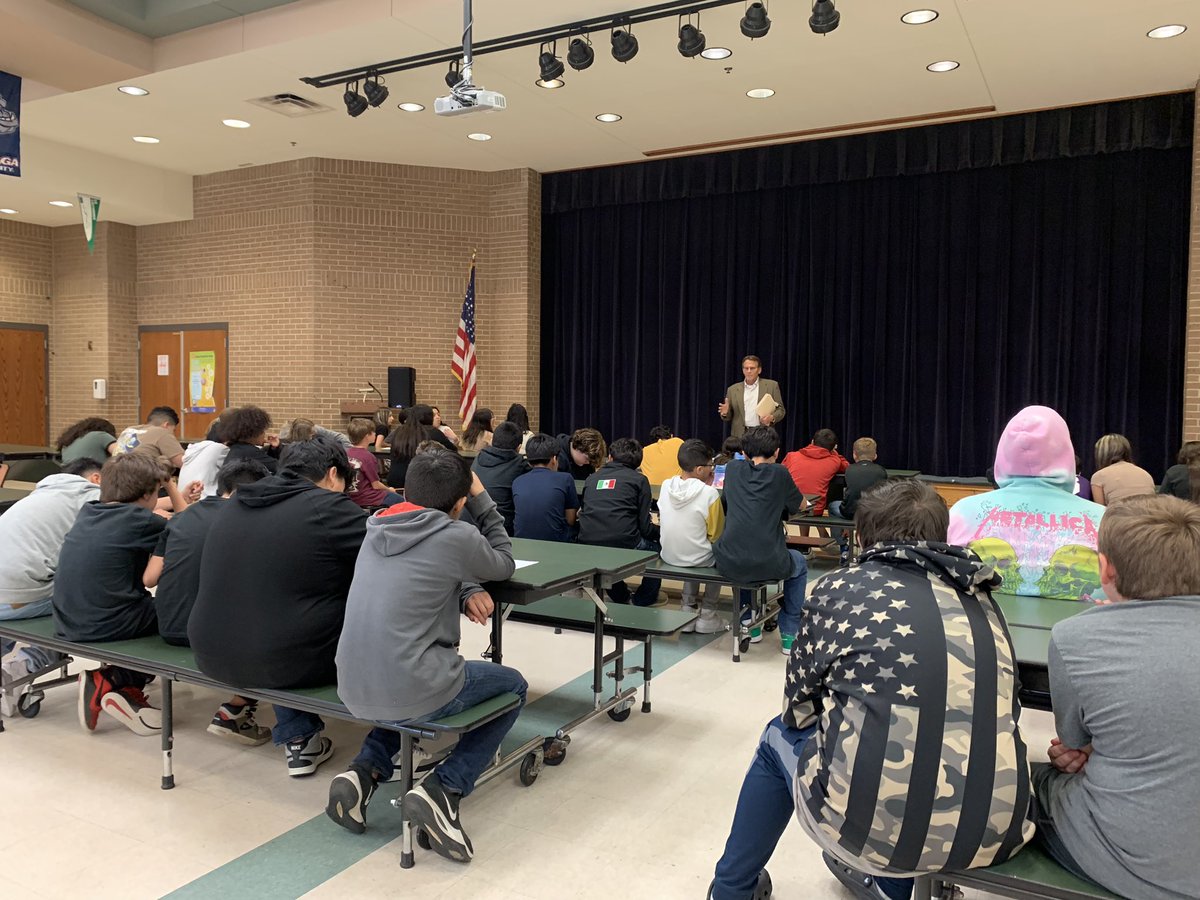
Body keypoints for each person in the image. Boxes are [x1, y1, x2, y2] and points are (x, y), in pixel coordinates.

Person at [709, 479, 1033, 900]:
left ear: (860, 537)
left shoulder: (838, 590)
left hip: (877, 831)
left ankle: (731, 890)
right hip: (996, 831)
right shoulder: (985, 600)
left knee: (776, 737)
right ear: (943, 535)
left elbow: (799, 709)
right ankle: (888, 886)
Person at [326, 452, 526, 865]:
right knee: (514, 686)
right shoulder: (458, 535)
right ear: (458, 504)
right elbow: (503, 562)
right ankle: (444, 788)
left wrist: (466, 587)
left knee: (405, 686)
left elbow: (426, 569)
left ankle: (364, 772)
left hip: (352, 681)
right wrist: (482, 498)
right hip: (413, 683)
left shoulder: (376, 527)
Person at [1032, 494, 1200, 899]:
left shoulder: (1075, 638)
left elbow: (1072, 742)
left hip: (1139, 866)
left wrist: (1086, 748)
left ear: (1105, 568)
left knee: (1032, 781)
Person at [189, 434, 367, 776]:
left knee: (286, 607)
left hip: (209, 650)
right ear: (333, 475)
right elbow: (390, 558)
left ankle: (299, 736)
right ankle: (394, 736)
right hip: (281, 659)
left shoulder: (238, 502)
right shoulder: (328, 507)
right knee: (369, 607)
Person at [54, 454, 190, 736]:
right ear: (148, 493)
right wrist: (173, 488)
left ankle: (125, 689)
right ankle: (112, 678)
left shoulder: (89, 511)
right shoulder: (140, 521)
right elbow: (190, 528)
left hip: (67, 620)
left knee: (145, 605)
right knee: (182, 614)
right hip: (107, 622)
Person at [143, 458, 273, 745]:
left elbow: (150, 579)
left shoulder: (182, 517)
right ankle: (236, 709)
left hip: (169, 627)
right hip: (211, 637)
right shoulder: (248, 521)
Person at [948, 406, 1106, 600]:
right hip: (1077, 628)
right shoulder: (1104, 519)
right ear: (1065, 450)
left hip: (984, 627)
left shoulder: (963, 512)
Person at [0, 458, 103, 717]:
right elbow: (137, 507)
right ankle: (25, 663)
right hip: (14, 598)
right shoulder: (90, 494)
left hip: (7, 597)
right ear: (96, 478)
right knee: (88, 601)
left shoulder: (38, 494)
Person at [713, 426, 807, 653]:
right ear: (777, 452)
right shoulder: (780, 473)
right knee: (800, 563)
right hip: (769, 560)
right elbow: (800, 505)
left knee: (743, 555)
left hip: (728, 559)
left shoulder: (732, 469)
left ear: (743, 452)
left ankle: (749, 624)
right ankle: (789, 632)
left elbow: (727, 500)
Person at [578, 438, 662, 606]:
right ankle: (644, 599)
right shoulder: (639, 480)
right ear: (638, 461)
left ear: (610, 457)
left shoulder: (592, 479)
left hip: (587, 542)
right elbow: (645, 528)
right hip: (624, 541)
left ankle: (620, 596)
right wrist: (662, 534)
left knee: (607, 550)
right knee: (657, 551)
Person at [659, 439, 725, 634]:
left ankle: (687, 608)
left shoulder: (665, 485)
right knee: (717, 552)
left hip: (669, 554)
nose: (712, 469)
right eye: (710, 466)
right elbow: (716, 535)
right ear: (698, 470)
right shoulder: (710, 493)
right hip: (699, 558)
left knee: (692, 546)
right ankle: (708, 614)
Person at [512, 433, 581, 542]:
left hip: (521, 542)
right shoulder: (566, 479)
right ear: (554, 459)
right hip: (557, 543)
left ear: (529, 462)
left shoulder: (517, 482)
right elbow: (570, 520)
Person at [830, 437, 889, 563]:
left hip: (850, 512)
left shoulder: (849, 469)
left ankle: (843, 546)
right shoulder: (881, 471)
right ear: (875, 455)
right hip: (873, 512)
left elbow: (848, 494)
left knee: (832, 506)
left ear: (854, 454)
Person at [471, 421, 531, 534]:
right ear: (519, 447)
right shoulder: (520, 464)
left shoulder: (478, 458)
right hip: (501, 528)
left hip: (472, 525)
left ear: (492, 441)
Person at [781, 428, 850, 516]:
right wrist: (835, 453)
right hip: (814, 508)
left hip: (790, 506)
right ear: (833, 448)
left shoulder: (792, 456)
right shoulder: (834, 461)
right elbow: (847, 467)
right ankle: (821, 530)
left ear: (812, 442)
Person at [387, 404, 455, 490]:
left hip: (395, 479)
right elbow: (452, 452)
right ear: (429, 417)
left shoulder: (399, 431)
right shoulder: (433, 432)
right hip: (421, 482)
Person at [718, 355, 785, 439]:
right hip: (740, 436)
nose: (749, 371)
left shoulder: (771, 386)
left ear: (759, 370)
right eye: (746, 368)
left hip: (763, 435)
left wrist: (772, 418)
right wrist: (725, 413)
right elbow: (728, 417)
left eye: (752, 368)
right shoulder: (732, 389)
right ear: (743, 370)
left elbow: (781, 410)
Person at [345, 417, 404, 509]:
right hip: (367, 497)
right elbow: (376, 485)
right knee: (400, 500)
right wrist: (390, 489)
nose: (375, 434)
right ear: (366, 436)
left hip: (349, 497)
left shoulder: (346, 453)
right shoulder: (368, 456)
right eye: (373, 432)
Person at [178, 413, 232, 498]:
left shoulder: (195, 448)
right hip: (203, 498)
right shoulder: (219, 449)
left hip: (183, 497)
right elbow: (235, 466)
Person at [1090, 433, 1154, 506]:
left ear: (1101, 454)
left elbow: (1100, 510)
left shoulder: (1099, 476)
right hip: (1150, 516)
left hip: (1119, 516)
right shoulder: (1145, 474)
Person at [115, 406, 185, 469]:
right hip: (136, 479)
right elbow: (184, 463)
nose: (173, 434)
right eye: (173, 430)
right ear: (166, 425)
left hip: (112, 477)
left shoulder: (128, 430)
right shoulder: (162, 432)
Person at [222, 404, 280, 472]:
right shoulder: (249, 451)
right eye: (262, 430)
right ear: (254, 432)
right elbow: (279, 467)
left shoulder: (237, 448)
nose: (264, 434)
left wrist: (274, 448)